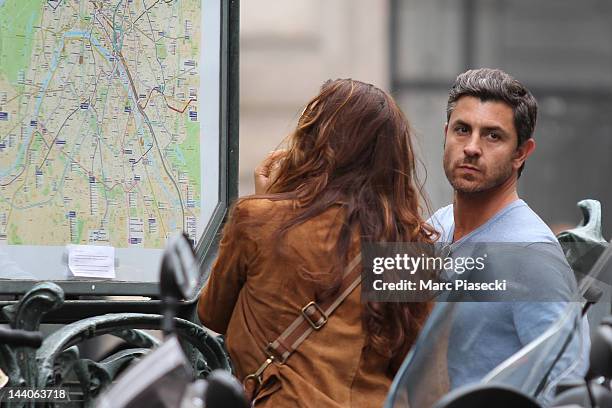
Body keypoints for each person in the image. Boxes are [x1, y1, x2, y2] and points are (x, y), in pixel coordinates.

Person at [198, 79, 437, 407]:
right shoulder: (407, 245)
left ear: (316, 139)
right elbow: (413, 365)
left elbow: (211, 314)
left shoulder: (257, 219)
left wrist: (271, 200)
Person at [428, 68, 589, 391]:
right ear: (446, 133)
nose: (472, 147)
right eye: (462, 129)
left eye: (492, 135)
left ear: (521, 153)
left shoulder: (530, 256)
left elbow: (563, 387)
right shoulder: (435, 228)